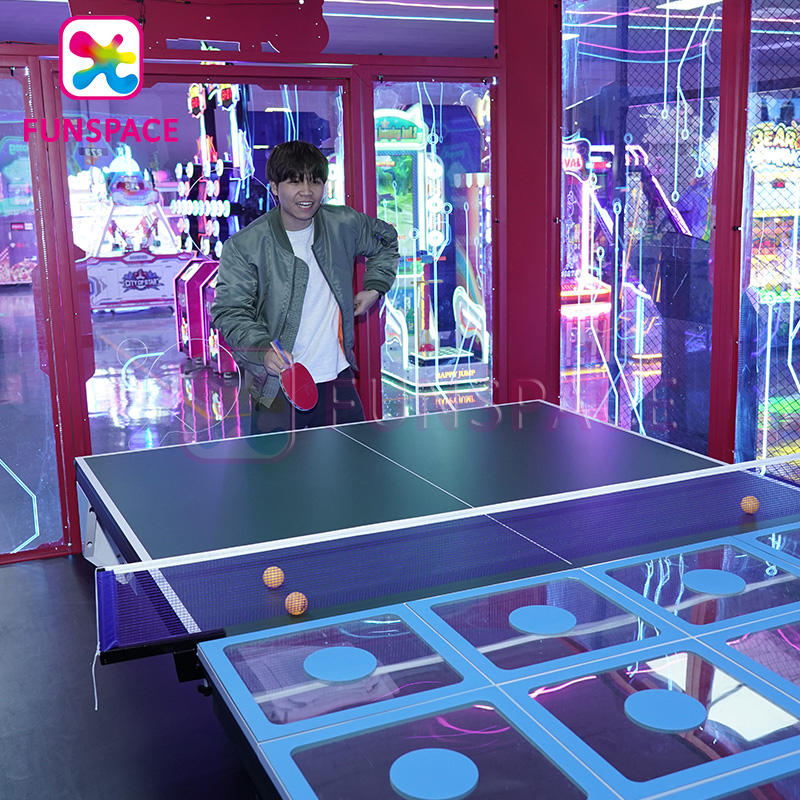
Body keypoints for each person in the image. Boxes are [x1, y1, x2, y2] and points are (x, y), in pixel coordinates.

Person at [211, 140, 398, 434]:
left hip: (338, 379)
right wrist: (263, 350)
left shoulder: (342, 223)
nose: (307, 191)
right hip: (276, 388)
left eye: (315, 181)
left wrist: (374, 288)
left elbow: (386, 241)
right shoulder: (245, 246)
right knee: (279, 466)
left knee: (357, 460)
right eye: (295, 182)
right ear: (274, 187)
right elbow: (229, 312)